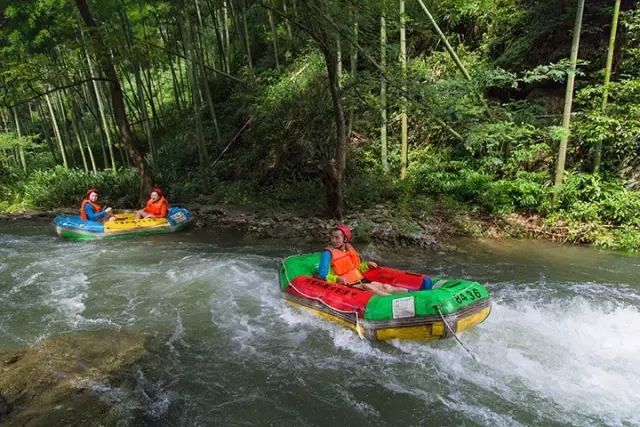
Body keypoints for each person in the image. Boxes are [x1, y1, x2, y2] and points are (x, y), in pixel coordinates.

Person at [317, 224, 408, 296]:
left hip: (359, 280)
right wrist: (337, 279)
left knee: (385, 287)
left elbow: (356, 268)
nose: (333, 240)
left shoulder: (349, 250)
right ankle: (393, 302)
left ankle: (414, 295)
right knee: (367, 286)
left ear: (345, 239)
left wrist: (366, 265)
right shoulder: (327, 254)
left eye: (337, 238)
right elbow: (322, 275)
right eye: (332, 237)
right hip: (345, 285)